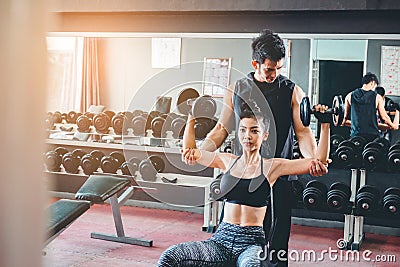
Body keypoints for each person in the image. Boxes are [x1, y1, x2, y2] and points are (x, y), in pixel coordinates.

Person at [183, 29, 327, 266]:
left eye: (279, 69)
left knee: (277, 247)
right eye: (269, 69)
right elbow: (221, 129)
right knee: (231, 243)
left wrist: (314, 160)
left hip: (278, 176)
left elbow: (303, 132)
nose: (274, 74)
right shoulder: (237, 88)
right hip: (243, 177)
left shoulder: (292, 91)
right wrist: (199, 151)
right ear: (255, 63)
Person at [158, 100, 330, 267]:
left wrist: (325, 124)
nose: (247, 136)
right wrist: (192, 116)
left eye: (254, 131)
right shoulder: (226, 161)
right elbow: (191, 152)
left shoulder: (272, 167)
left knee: (251, 265)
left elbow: (317, 161)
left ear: (264, 136)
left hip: (251, 243)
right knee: (171, 256)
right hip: (221, 240)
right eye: (243, 130)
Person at [342, 73, 399, 143]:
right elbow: (384, 118)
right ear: (372, 82)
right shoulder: (377, 97)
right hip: (372, 137)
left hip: (355, 136)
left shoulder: (349, 96)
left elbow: (345, 118)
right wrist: (393, 126)